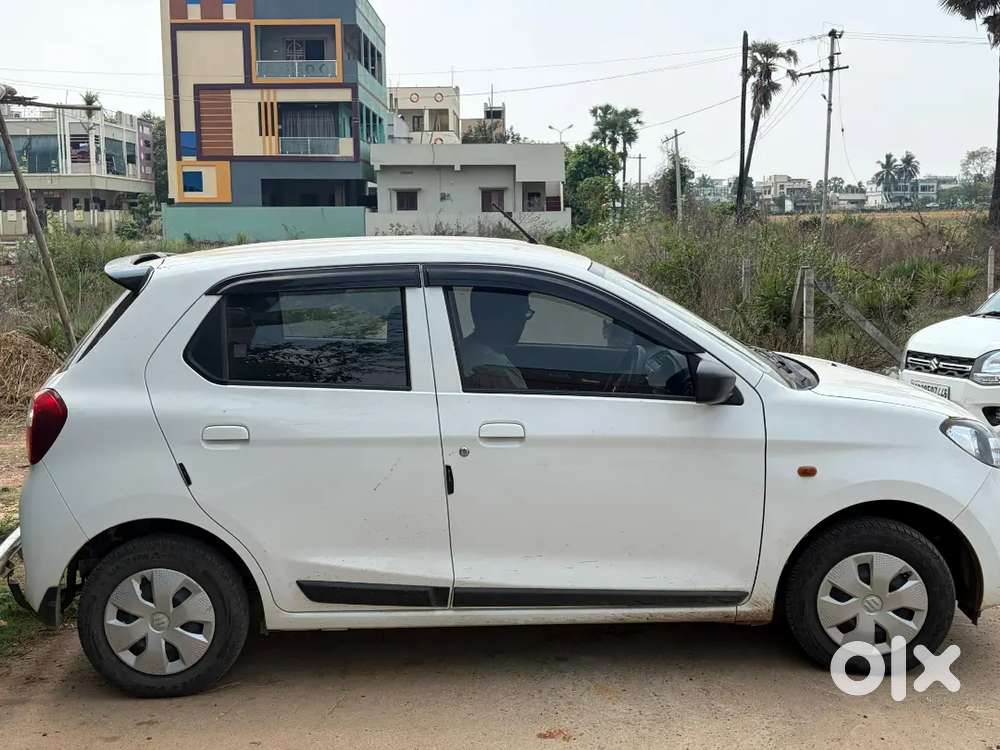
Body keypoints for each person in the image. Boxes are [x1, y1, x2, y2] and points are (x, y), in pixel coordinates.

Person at [460, 288, 533, 390]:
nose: (524, 320)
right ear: (505, 317)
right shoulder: (499, 373)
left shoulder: (465, 349)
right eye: (524, 312)